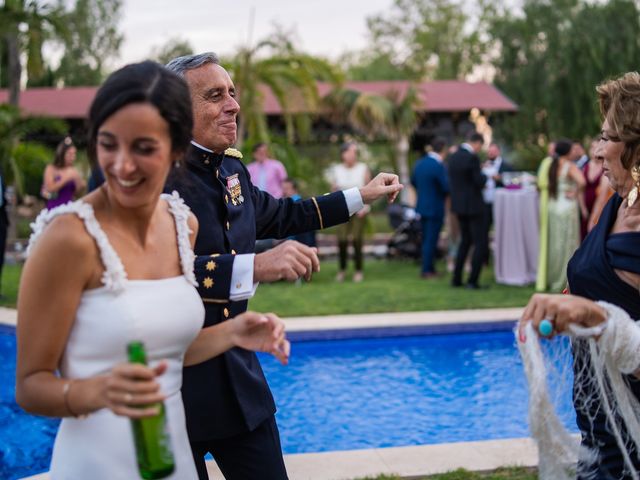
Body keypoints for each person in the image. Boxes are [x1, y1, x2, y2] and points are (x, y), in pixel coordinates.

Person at [15, 61, 290, 480]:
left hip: (168, 452)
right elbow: (31, 385)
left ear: (177, 146)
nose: (123, 166)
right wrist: (95, 391)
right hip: (99, 463)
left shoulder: (181, 225)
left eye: (144, 148)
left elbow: (164, 348)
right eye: (109, 145)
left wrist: (231, 333)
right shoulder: (68, 238)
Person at [164, 52, 402, 480]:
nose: (233, 105)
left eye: (232, 94)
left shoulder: (232, 170)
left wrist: (359, 196)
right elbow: (156, 274)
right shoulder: (157, 178)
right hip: (174, 391)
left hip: (239, 387)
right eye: (215, 96)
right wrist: (252, 267)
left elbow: (284, 214)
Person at [520, 71, 640, 479]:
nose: (598, 151)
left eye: (607, 138)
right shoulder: (619, 204)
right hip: (601, 433)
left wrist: (595, 318)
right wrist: (568, 304)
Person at [535, 140, 586, 292]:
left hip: (552, 205)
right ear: (568, 152)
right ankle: (565, 280)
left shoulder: (551, 164)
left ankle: (553, 278)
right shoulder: (570, 166)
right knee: (567, 244)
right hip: (566, 206)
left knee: (554, 244)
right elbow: (582, 182)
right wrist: (575, 192)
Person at [325, 141, 372, 283]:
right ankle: (342, 270)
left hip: (359, 210)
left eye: (354, 152)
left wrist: (366, 208)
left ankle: (358, 271)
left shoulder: (363, 168)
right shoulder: (336, 169)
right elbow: (334, 190)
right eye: (350, 151)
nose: (353, 154)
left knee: (357, 240)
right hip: (342, 209)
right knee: (342, 240)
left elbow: (369, 189)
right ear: (343, 154)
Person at [447, 131, 487, 289]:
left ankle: (456, 278)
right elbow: (479, 181)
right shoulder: (472, 157)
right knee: (480, 243)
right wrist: (485, 176)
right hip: (475, 207)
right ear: (477, 143)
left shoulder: (454, 156)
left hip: (459, 206)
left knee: (464, 241)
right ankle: (472, 280)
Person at [411, 136, 449, 278]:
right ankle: (427, 271)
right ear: (443, 149)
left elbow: (413, 181)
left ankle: (430, 268)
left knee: (427, 239)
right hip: (435, 208)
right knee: (431, 240)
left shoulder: (419, 163)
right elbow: (445, 187)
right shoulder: (438, 165)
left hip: (421, 207)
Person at [480, 142, 513, 264]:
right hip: (485, 203)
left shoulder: (507, 166)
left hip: (501, 204)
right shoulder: (482, 166)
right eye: (489, 151)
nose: (491, 153)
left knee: (502, 230)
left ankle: (503, 258)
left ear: (498, 152)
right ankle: (484, 259)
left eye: (493, 151)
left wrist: (500, 179)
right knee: (483, 232)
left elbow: (512, 183)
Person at [42, 137, 85, 209]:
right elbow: (50, 189)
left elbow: (77, 193)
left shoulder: (73, 170)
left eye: (74, 154)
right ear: (62, 154)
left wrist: (80, 183)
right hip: (54, 208)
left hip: (69, 207)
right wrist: (67, 178)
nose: (72, 157)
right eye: (69, 154)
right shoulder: (51, 168)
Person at [282, 178, 316, 247]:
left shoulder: (300, 206)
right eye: (283, 189)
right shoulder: (287, 205)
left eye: (287, 189)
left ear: (295, 190)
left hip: (300, 247)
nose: (284, 192)